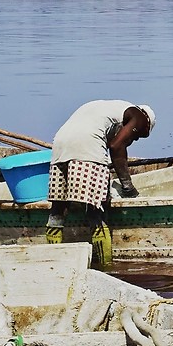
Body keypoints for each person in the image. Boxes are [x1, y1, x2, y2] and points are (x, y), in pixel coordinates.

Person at [43, 100, 154, 266]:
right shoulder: (140, 117)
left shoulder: (110, 107)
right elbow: (116, 146)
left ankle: (52, 263)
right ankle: (106, 267)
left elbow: (113, 142)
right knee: (96, 211)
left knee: (57, 210)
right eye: (140, 135)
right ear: (147, 124)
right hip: (88, 146)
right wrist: (128, 187)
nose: (136, 138)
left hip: (60, 145)